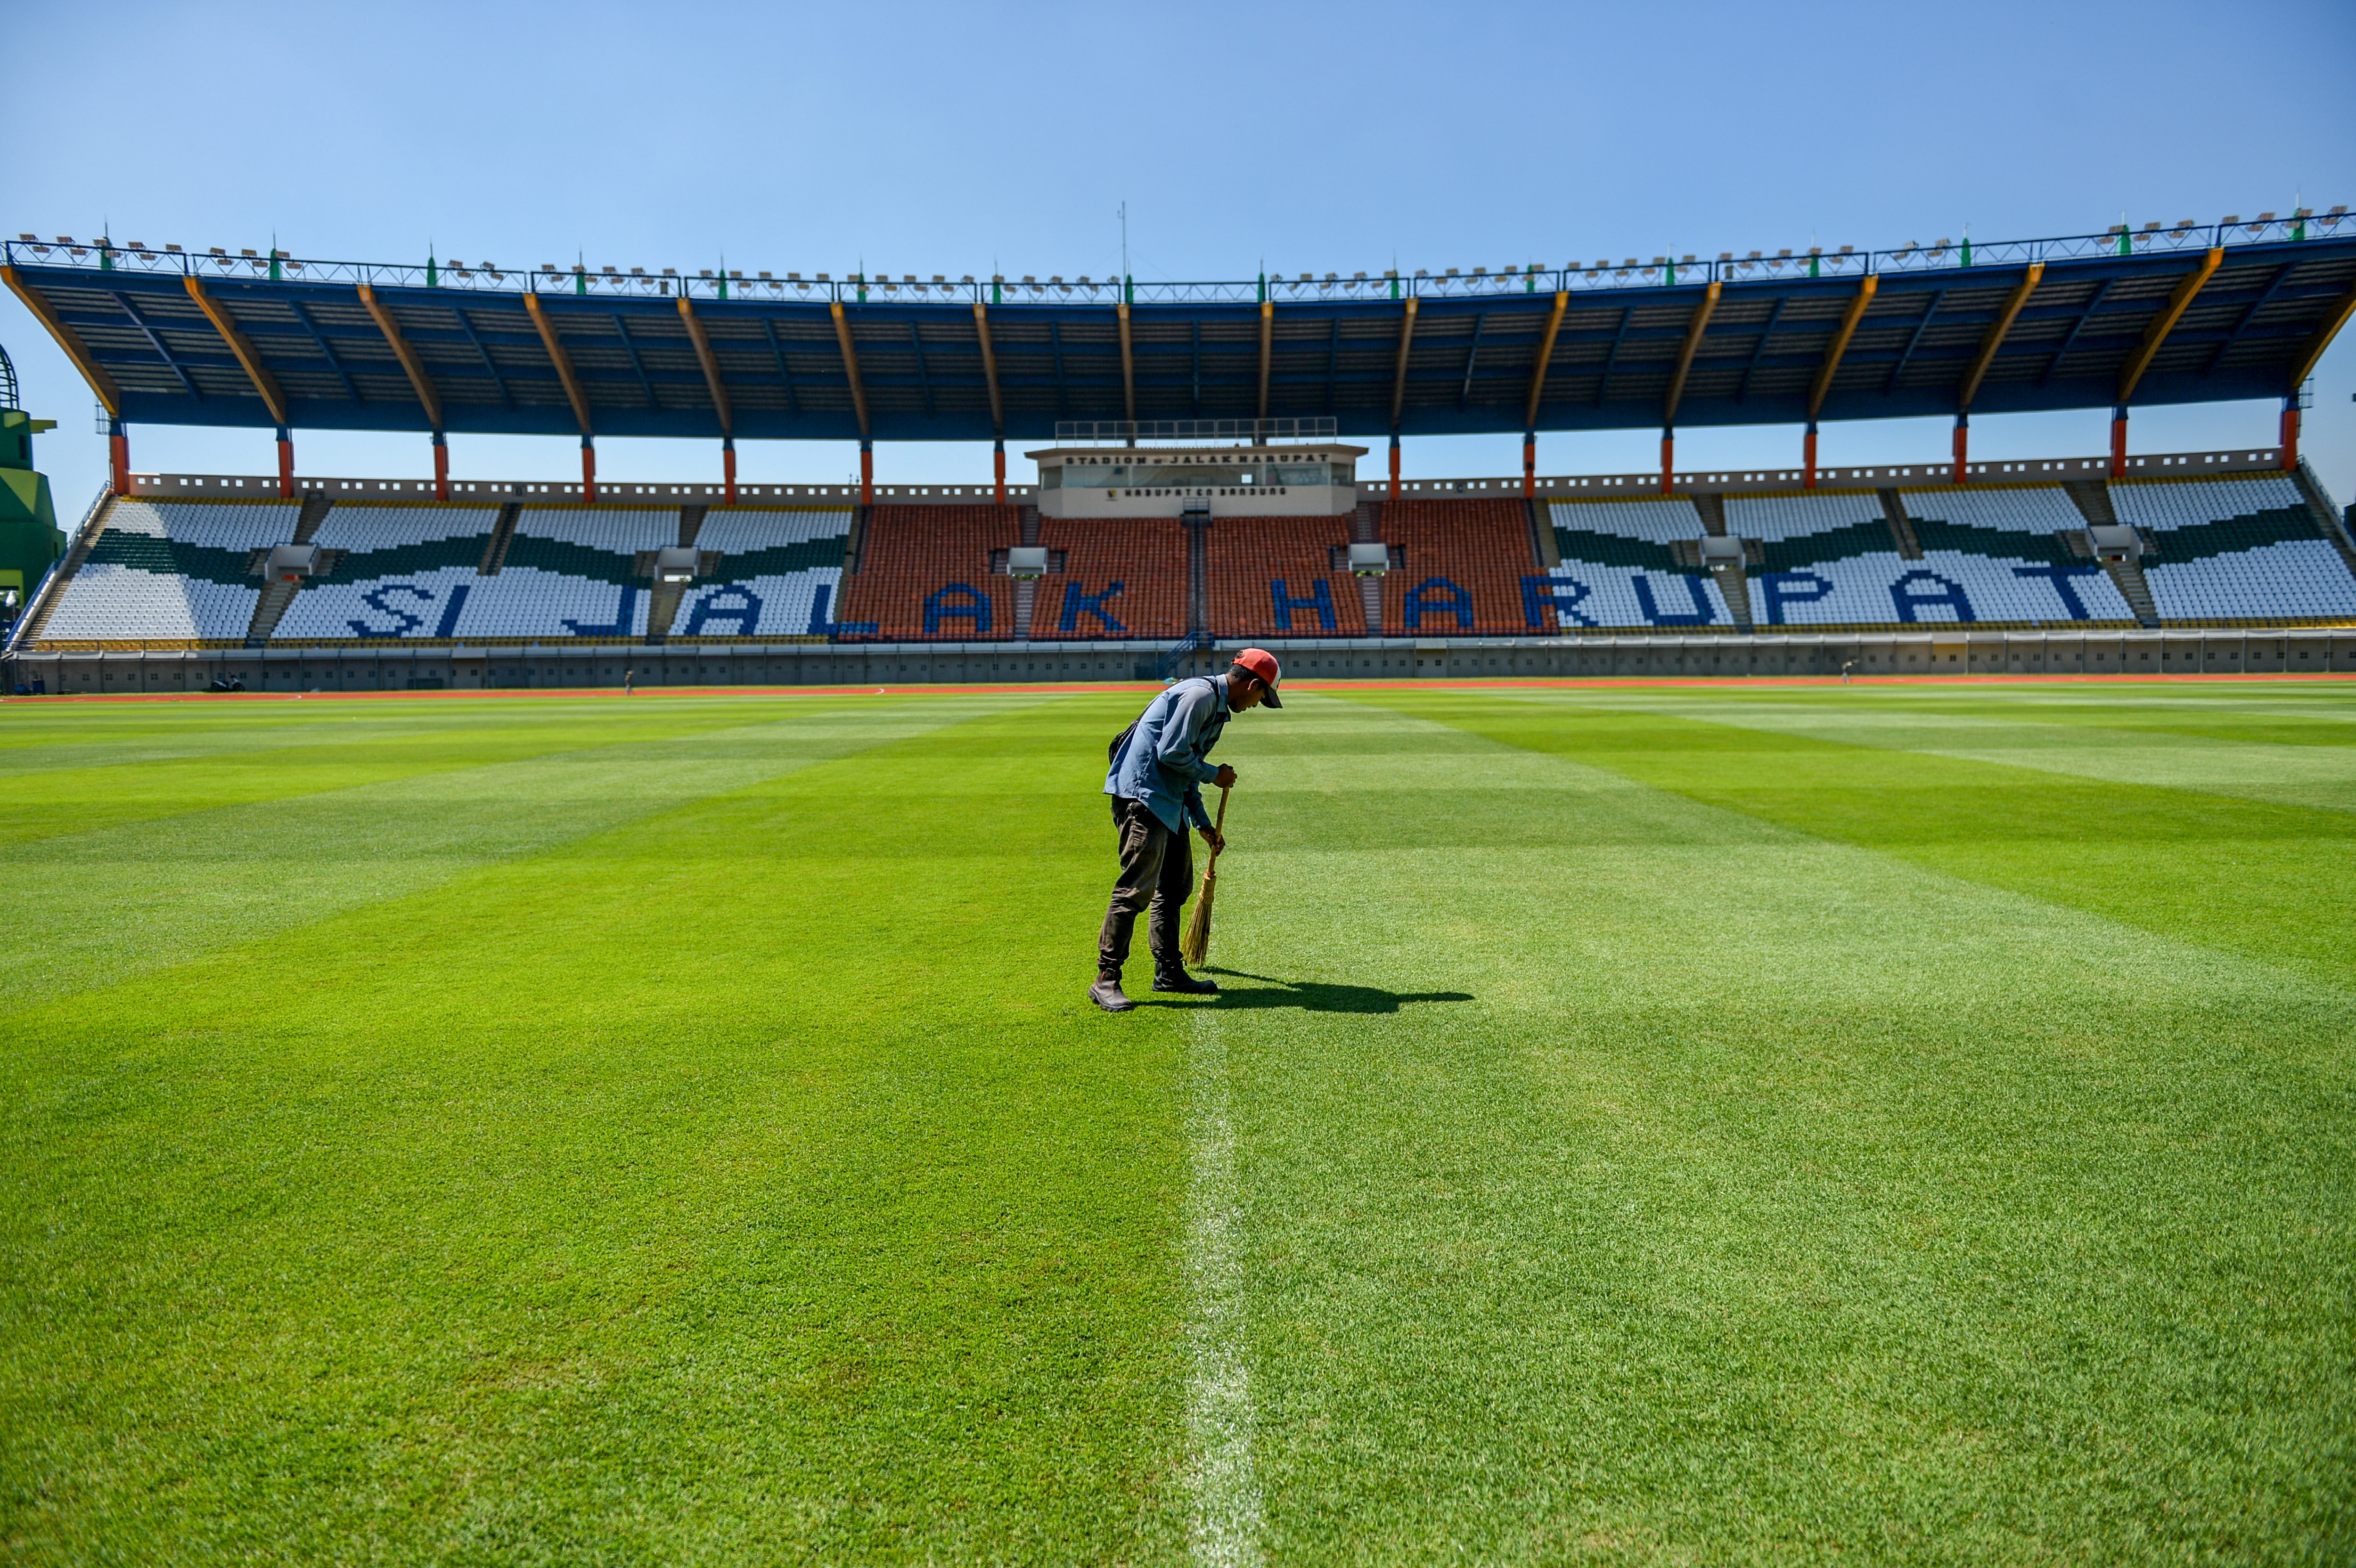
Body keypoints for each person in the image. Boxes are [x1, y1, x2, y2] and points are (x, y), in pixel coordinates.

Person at [1092, 647, 1282, 1013]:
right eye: (1261, 697)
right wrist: (1215, 775)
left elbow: (1187, 768)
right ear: (1253, 685)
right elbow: (1172, 753)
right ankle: (1106, 978)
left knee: (1174, 889)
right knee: (1135, 891)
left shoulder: (1216, 709)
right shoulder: (1200, 697)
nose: (1256, 705)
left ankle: (1168, 972)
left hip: (1170, 800)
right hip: (1144, 798)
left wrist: (1202, 822)